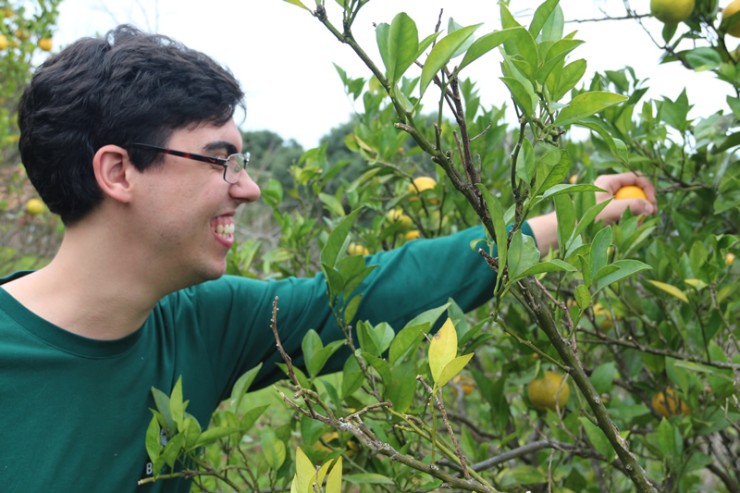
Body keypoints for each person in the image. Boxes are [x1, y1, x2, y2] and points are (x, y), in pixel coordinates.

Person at [0, 25, 656, 493]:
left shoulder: (199, 323)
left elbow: (375, 294)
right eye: (220, 158)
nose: (247, 186)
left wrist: (564, 220)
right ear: (118, 171)